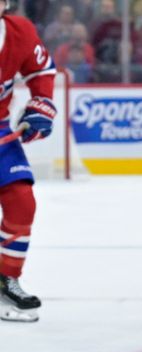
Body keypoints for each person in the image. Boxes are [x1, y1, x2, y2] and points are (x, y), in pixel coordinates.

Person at [0, 0, 57, 322]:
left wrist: (40, 106)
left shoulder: (19, 32)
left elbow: (42, 71)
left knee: (22, 201)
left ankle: (7, 278)